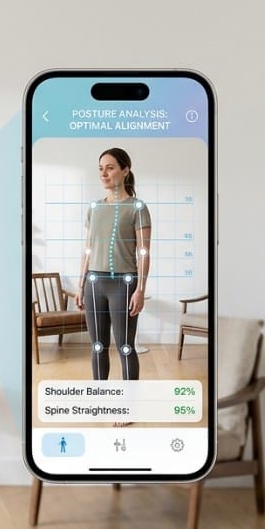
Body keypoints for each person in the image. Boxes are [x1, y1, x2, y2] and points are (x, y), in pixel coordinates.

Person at [74, 147, 151, 382]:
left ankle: (129, 400)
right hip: (94, 283)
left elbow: (144, 252)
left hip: (123, 285)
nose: (103, 174)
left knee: (125, 346)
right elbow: (88, 250)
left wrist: (140, 290)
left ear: (125, 171)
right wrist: (80, 285)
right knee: (97, 346)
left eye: (110, 168)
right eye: (101, 169)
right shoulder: (94, 208)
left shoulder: (137, 208)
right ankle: (102, 396)